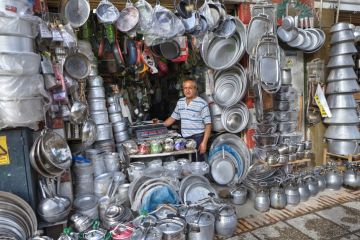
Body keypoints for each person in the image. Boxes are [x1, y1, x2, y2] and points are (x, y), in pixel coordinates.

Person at [164, 79, 212, 161]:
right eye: (185, 88)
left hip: (198, 138)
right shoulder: (180, 102)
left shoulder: (202, 104)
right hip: (184, 138)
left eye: (190, 88)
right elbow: (173, 118)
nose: (187, 90)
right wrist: (158, 127)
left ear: (195, 89)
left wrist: (204, 143)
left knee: (198, 162)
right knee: (186, 162)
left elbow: (208, 125)